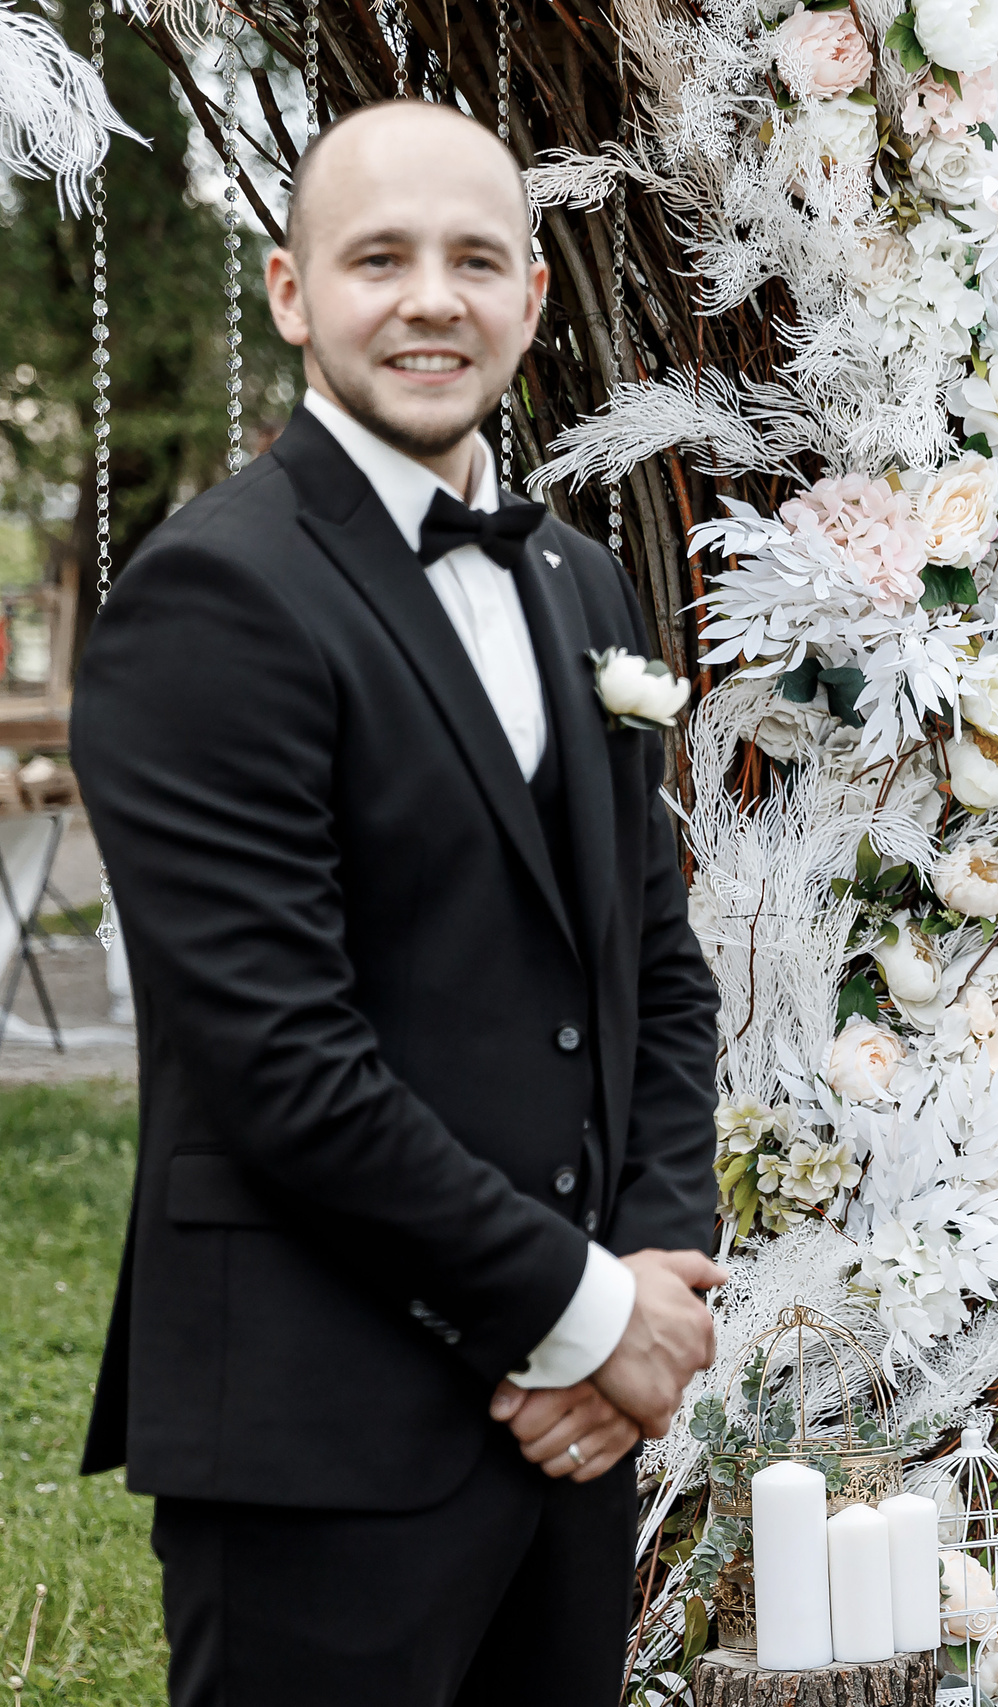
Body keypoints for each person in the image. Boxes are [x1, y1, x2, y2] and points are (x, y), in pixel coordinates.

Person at [72, 100, 724, 1707]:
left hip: (571, 1445)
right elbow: (282, 1064)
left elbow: (654, 968)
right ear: (293, 292)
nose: (431, 298)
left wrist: (656, 1278)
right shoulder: (213, 597)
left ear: (532, 299)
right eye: (380, 258)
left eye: (473, 260)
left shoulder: (580, 581)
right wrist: (582, 1317)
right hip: (328, 1437)